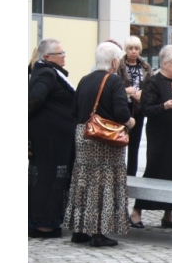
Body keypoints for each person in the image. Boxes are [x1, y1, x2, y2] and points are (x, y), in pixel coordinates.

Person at [64, 41, 135, 246]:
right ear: (114, 61)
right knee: (103, 184)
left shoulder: (85, 79)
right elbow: (122, 113)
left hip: (84, 136)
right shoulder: (113, 81)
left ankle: (80, 229)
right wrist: (131, 122)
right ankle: (98, 233)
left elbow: (74, 111)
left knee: (84, 182)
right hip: (104, 141)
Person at [129, 45, 172, 229]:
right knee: (155, 171)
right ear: (164, 64)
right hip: (160, 134)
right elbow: (146, 109)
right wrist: (164, 106)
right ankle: (137, 211)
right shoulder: (154, 82)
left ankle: (168, 214)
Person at [28, 39, 75, 239]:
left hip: (55, 137)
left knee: (52, 179)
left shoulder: (48, 72)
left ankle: (46, 221)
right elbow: (34, 99)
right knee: (48, 179)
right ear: (48, 57)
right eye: (60, 53)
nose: (64, 55)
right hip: (49, 139)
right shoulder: (47, 73)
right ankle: (43, 224)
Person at [117, 36, 152, 177]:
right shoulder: (119, 65)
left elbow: (150, 85)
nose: (133, 52)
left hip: (138, 108)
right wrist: (126, 91)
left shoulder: (145, 66)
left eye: (136, 49)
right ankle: (119, 174)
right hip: (123, 107)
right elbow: (113, 85)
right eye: (131, 48)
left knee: (135, 144)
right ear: (126, 50)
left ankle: (131, 174)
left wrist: (142, 92)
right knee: (119, 141)